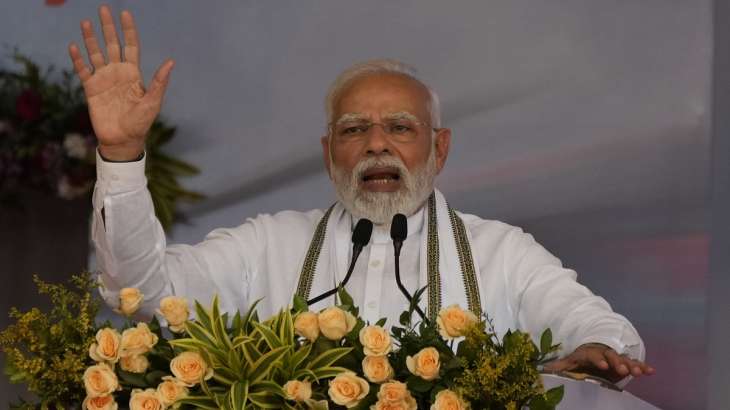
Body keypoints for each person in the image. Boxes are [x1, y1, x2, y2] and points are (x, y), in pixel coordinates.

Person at [69, 5, 654, 384]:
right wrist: (121, 154)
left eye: (400, 127)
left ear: (439, 148)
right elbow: (140, 294)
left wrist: (596, 349)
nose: (377, 145)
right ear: (329, 153)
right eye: (353, 130)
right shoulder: (267, 244)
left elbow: (592, 326)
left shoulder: (502, 252)